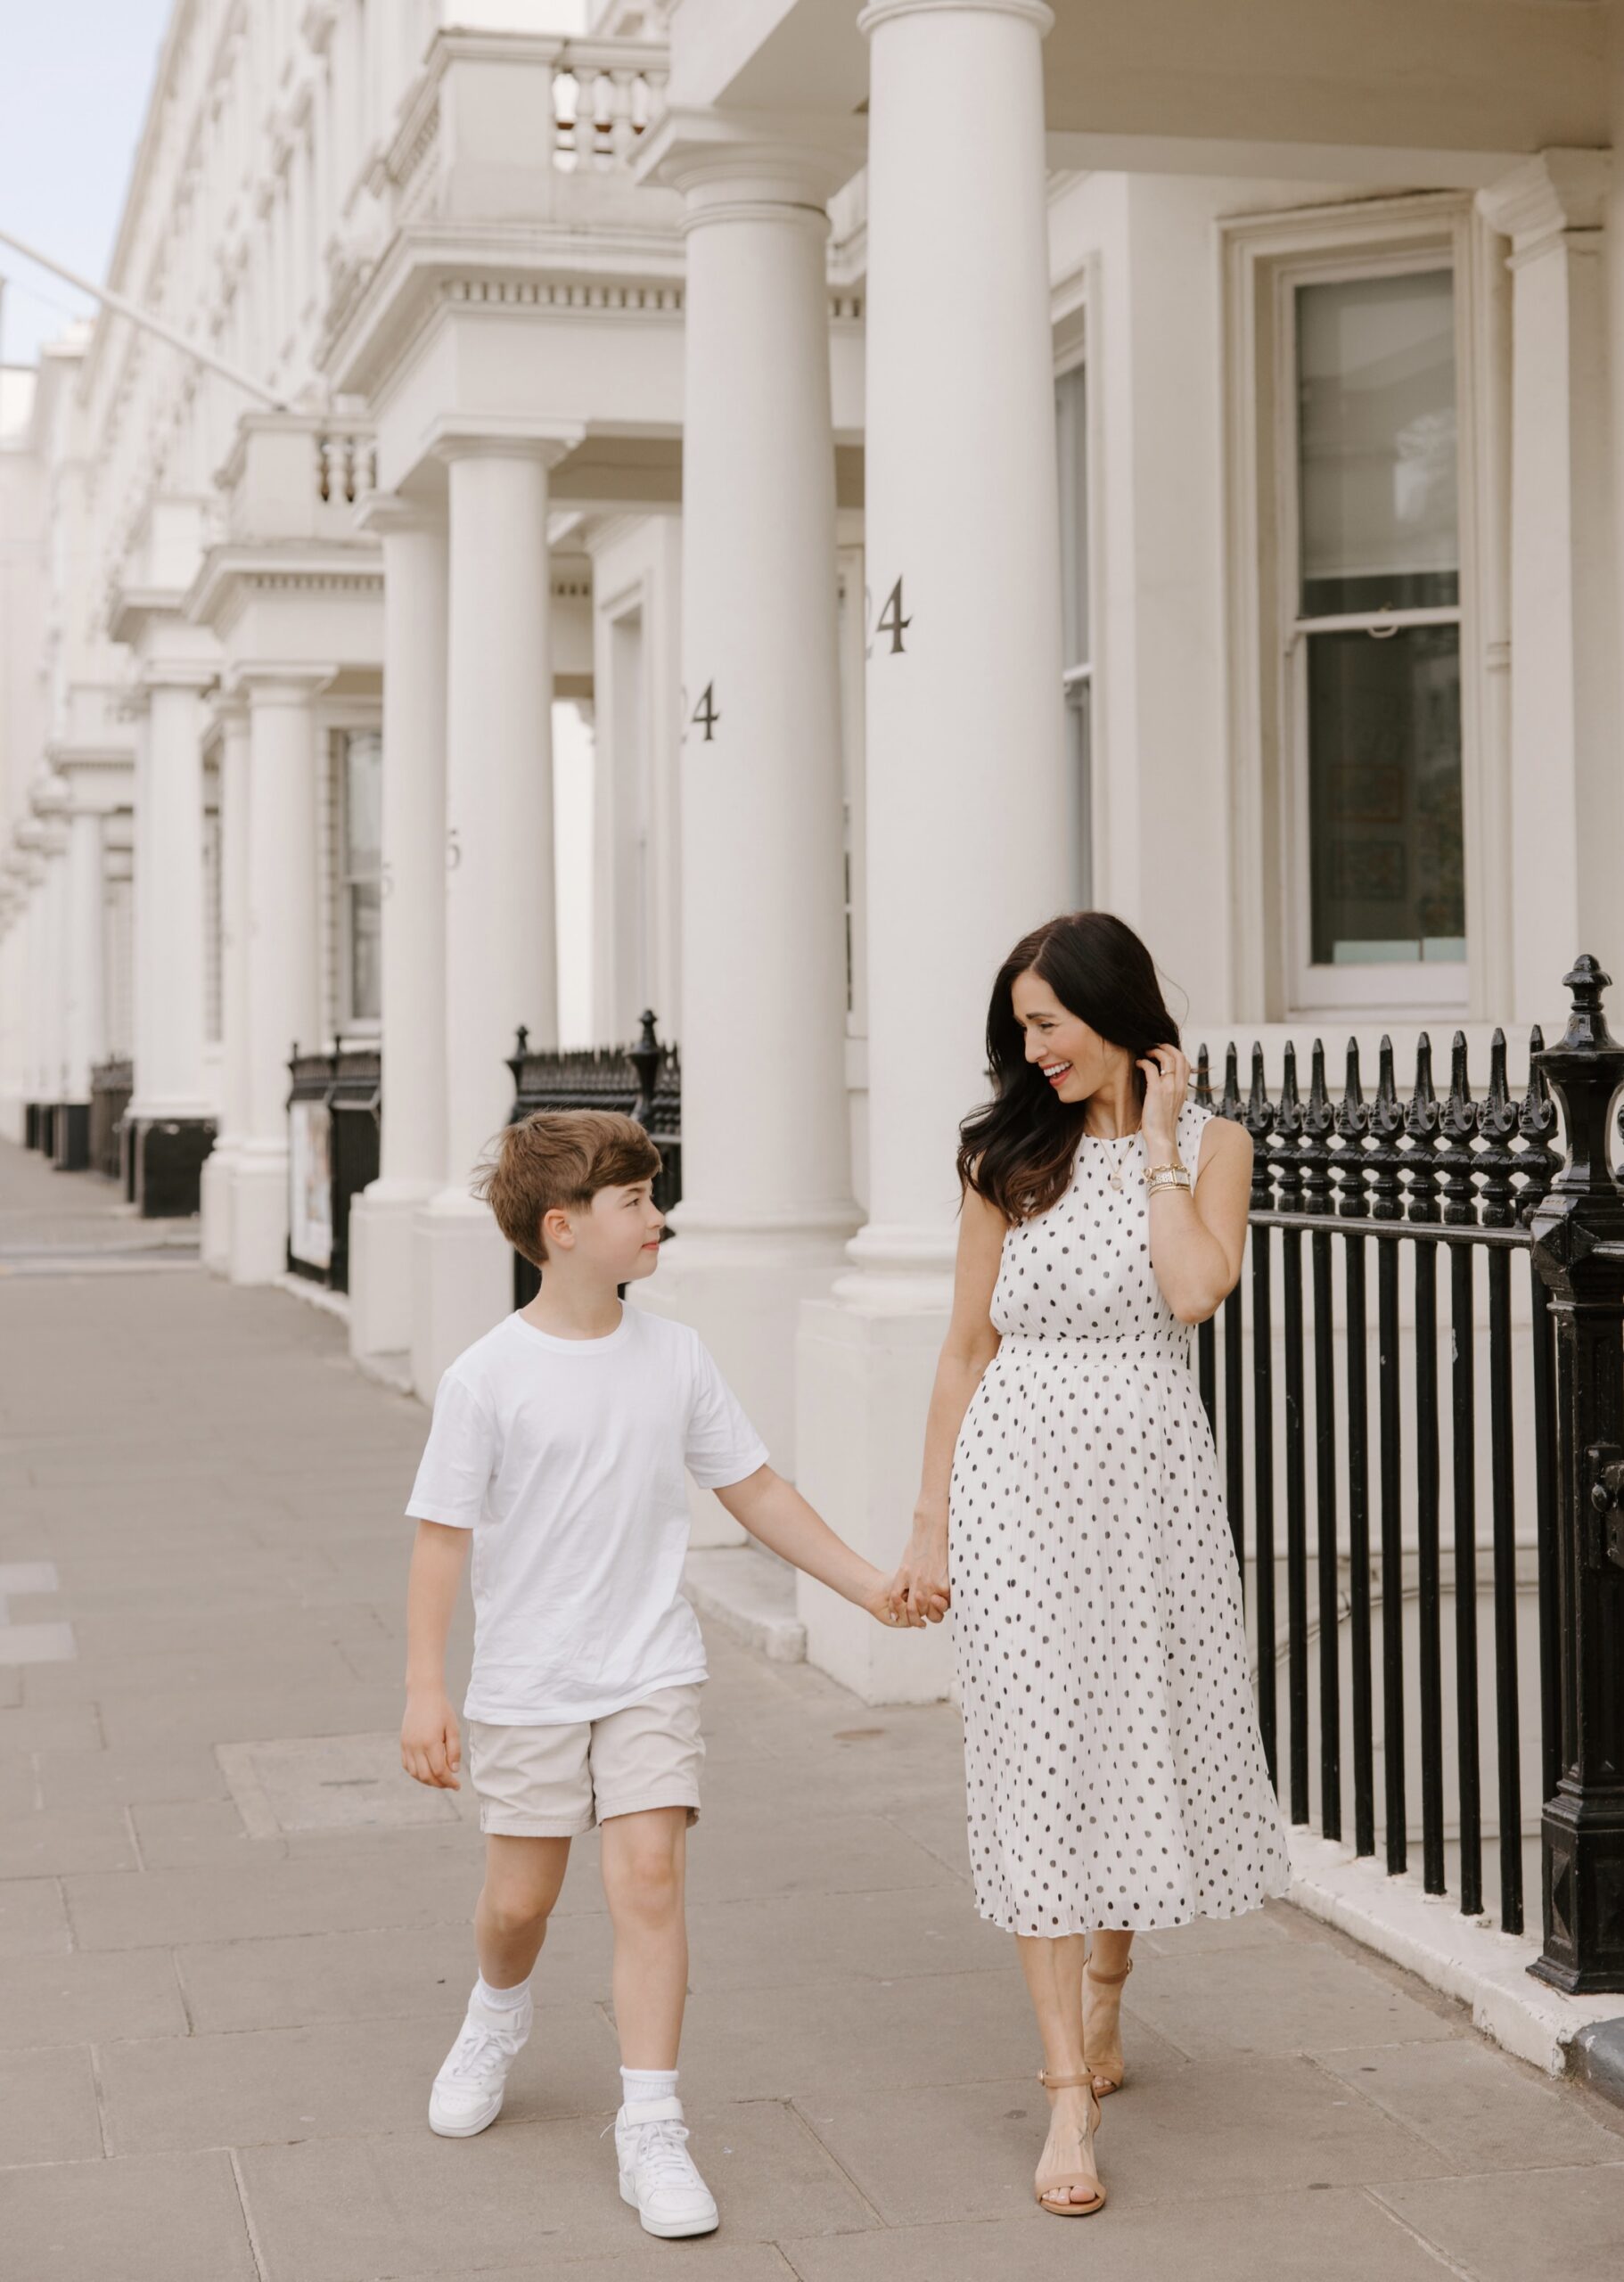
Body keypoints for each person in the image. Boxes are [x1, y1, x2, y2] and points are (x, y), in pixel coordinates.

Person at [399, 1108, 916, 2240]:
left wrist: (865, 1582)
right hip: (529, 1682)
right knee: (518, 1901)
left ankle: (649, 2123)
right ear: (562, 1227)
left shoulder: (674, 1353)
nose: (659, 1218)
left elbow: (757, 1489)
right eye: (636, 1201)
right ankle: (496, 2009)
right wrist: (425, 1689)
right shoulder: (488, 1376)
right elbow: (442, 1534)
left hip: (647, 1667)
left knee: (647, 1880)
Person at [892, 910, 1292, 2218]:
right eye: (1021, 1030)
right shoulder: (1001, 1154)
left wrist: (1163, 1151)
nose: (1034, 1050)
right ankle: (1065, 2093)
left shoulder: (1213, 1146)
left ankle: (1108, 1999)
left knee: (1128, 1738)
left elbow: (1191, 1295)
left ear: (1114, 1012)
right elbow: (963, 1347)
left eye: (1049, 1023)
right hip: (1016, 1478)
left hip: (1148, 1484)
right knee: (1039, 1750)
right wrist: (930, 1522)